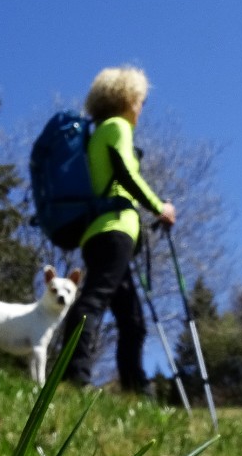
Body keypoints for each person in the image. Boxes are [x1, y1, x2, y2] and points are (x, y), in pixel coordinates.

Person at [61, 65, 175, 392]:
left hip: (101, 232)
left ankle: (135, 389)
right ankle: (74, 379)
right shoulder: (117, 127)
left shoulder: (99, 131)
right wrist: (160, 207)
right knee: (94, 300)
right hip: (114, 231)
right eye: (140, 100)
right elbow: (126, 173)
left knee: (133, 320)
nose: (141, 108)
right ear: (126, 98)